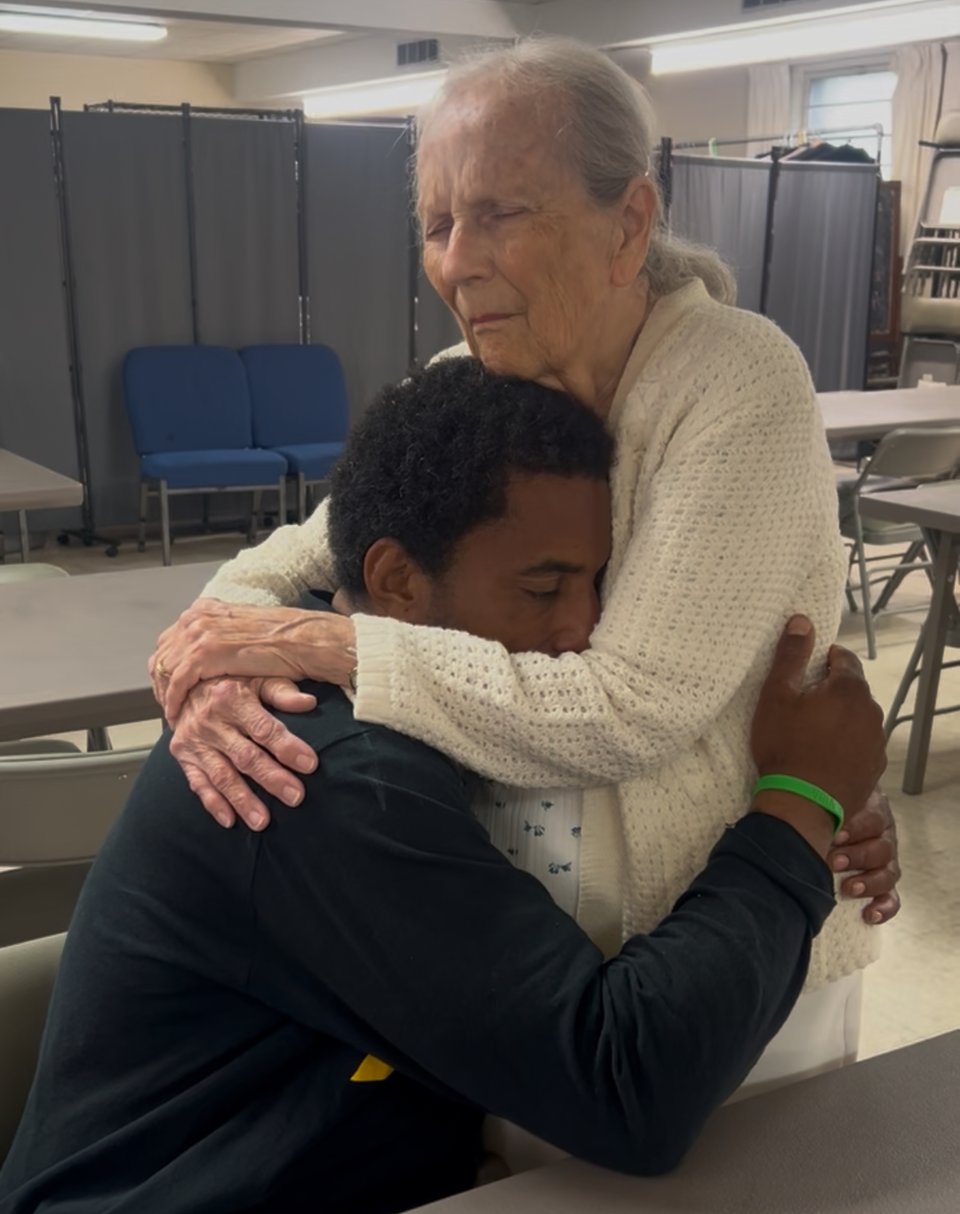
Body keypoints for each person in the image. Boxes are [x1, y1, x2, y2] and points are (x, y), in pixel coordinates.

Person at [149, 39, 900, 1094]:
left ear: (628, 223)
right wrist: (214, 664)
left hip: (722, 976)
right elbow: (294, 557)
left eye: (499, 213)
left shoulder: (732, 380)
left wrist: (327, 640)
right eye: (438, 224)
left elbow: (630, 704)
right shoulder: (472, 377)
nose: (458, 260)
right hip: (526, 970)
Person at [0, 363, 886, 1214]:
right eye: (544, 587)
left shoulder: (388, 692)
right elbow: (629, 1086)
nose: (584, 629)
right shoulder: (316, 773)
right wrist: (799, 803)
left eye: (600, 583)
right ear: (393, 580)